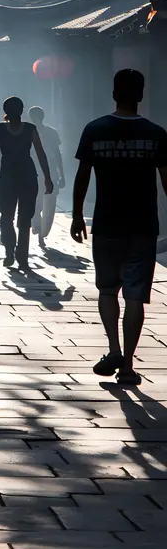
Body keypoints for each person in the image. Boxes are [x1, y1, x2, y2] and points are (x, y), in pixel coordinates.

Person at [71, 69, 167, 386]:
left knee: (108, 290)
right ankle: (127, 365)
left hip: (107, 224)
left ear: (114, 93)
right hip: (142, 225)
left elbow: (83, 175)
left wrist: (75, 215)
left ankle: (113, 347)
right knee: (136, 297)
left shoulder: (95, 130)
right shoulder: (156, 134)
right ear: (140, 95)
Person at [0, 96, 53, 269]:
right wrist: (47, 177)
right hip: (27, 176)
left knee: (7, 217)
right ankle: (20, 255)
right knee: (24, 219)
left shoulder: (0, 129)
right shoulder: (29, 129)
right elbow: (40, 153)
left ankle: (11, 252)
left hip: (8, 177)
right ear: (22, 110)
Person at [29, 106, 65, 249]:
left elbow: (57, 154)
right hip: (39, 173)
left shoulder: (33, 132)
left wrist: (61, 174)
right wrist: (61, 174)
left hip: (43, 174)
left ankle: (40, 231)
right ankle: (40, 231)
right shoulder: (31, 133)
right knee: (43, 205)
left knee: (43, 205)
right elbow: (58, 155)